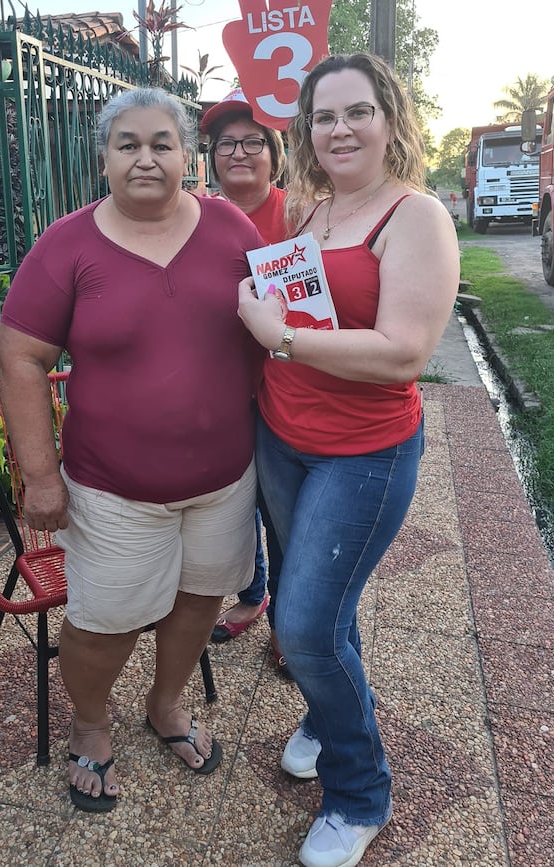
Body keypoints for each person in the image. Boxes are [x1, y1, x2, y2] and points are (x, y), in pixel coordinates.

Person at [0, 87, 265, 813]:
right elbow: (21, 357)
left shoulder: (231, 227)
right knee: (103, 622)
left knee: (199, 600)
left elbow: (284, 317)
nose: (145, 158)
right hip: (112, 489)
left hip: (223, 479)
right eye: (128, 145)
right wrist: (40, 474)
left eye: (161, 144)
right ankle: (91, 722)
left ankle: (166, 703)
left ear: (188, 157)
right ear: (104, 160)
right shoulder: (67, 245)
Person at [237, 53, 460, 867]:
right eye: (324, 116)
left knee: (301, 625)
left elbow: (404, 353)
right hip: (282, 437)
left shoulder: (415, 216)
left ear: (389, 119)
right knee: (327, 609)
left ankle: (360, 791)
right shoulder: (311, 210)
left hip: (363, 454)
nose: (340, 129)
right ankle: (325, 717)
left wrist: (280, 337)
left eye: (357, 111)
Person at [200, 88, 290, 677]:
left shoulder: (302, 213)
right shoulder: (195, 216)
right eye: (225, 143)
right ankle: (252, 595)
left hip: (287, 387)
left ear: (274, 153)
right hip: (221, 389)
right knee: (235, 503)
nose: (238, 153)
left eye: (252, 141)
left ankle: (288, 618)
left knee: (282, 510)